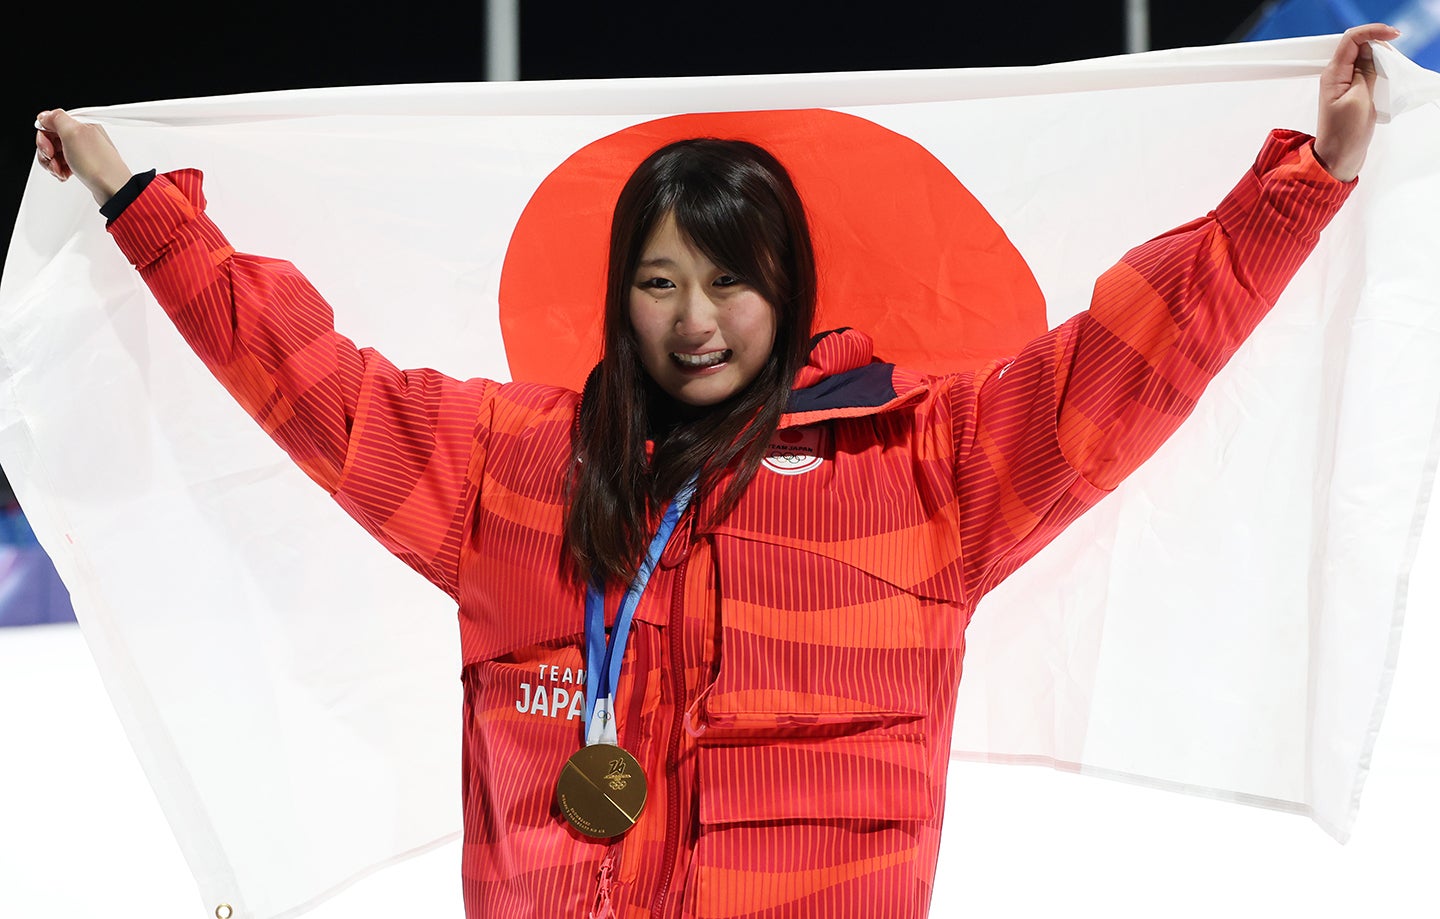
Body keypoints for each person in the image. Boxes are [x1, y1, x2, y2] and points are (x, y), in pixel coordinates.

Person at [34, 23, 1399, 919]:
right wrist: (138, 208)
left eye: (733, 282)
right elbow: (308, 385)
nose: (697, 320)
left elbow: (1130, 362)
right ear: (619, 296)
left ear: (788, 289)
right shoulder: (511, 477)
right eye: (660, 281)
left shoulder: (926, 475)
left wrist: (1306, 181)